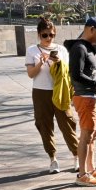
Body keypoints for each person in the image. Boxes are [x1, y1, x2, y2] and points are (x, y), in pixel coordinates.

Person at [64, 17, 96, 187]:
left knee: (92, 135)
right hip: (86, 98)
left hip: (93, 96)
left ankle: (91, 169)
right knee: (86, 136)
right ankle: (82, 174)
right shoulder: (79, 48)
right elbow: (76, 75)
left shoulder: (88, 48)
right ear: (91, 29)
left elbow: (88, 73)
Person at [25, 17, 79, 174]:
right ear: (39, 34)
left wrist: (57, 62)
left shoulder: (61, 50)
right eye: (45, 35)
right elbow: (30, 74)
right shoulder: (32, 51)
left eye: (51, 35)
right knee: (44, 125)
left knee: (67, 123)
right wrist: (41, 63)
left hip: (60, 91)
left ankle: (76, 156)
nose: (48, 38)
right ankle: (53, 159)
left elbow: (67, 72)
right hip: (41, 92)